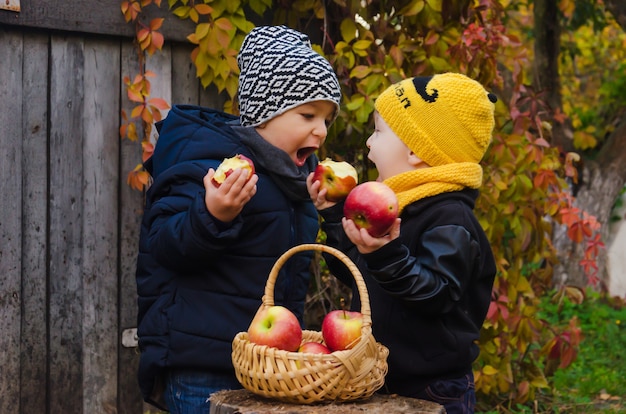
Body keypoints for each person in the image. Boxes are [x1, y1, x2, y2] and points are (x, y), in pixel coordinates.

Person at [135, 25, 342, 412]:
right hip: (204, 364)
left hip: (268, 363)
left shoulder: (294, 180)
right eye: (308, 114)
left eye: (327, 119)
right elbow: (164, 244)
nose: (321, 129)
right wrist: (212, 216)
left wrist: (331, 213)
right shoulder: (208, 162)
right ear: (265, 113)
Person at [308, 73, 498, 414]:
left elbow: (435, 294)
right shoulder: (395, 207)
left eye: (378, 132)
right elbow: (359, 273)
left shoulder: (450, 220)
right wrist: (336, 217)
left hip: (433, 389)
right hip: (377, 378)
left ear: (415, 150)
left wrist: (385, 254)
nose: (368, 143)